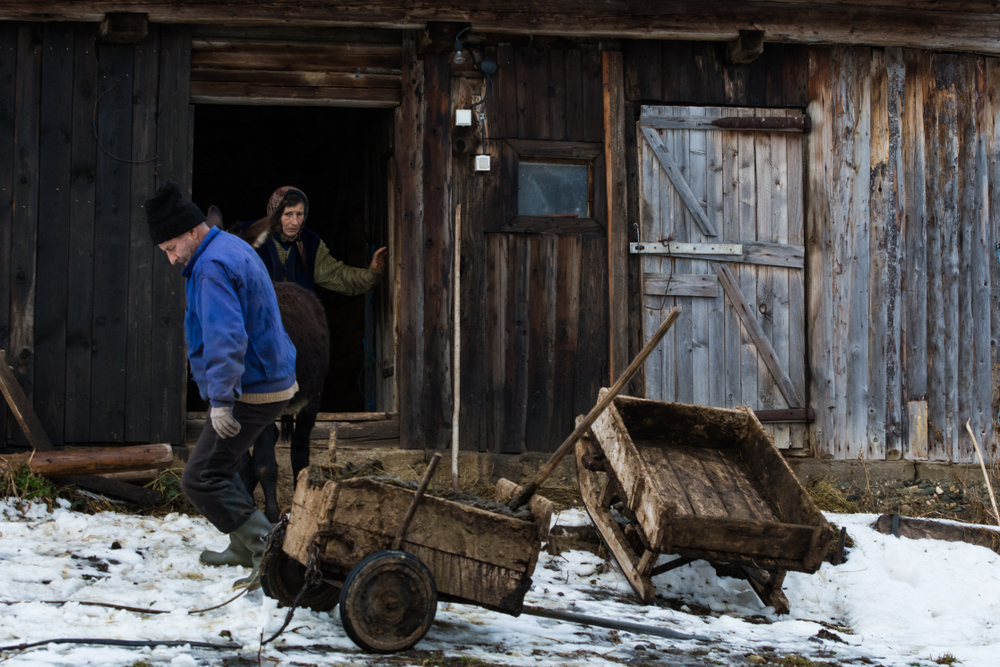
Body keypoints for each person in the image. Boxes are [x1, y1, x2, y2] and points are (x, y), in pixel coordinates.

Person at [146, 181, 298, 589]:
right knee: (221, 462)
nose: (172, 259)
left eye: (171, 248)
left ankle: (267, 548)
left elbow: (226, 338)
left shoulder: (212, 267)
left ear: (193, 231)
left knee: (199, 478)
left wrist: (222, 400)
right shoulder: (229, 248)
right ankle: (241, 544)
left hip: (252, 387)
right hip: (265, 377)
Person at [236, 186, 386, 495]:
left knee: (303, 420)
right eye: (287, 214)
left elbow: (339, 276)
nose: (293, 221)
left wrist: (371, 274)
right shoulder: (250, 241)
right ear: (274, 215)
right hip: (259, 335)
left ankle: (302, 490)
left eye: (299, 214)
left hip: (299, 333)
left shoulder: (312, 244)